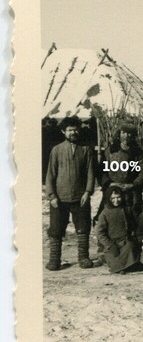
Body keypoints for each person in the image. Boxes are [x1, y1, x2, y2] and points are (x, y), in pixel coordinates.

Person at [44, 115, 95, 270]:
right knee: (56, 230)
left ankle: (83, 257)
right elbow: (50, 175)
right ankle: (54, 260)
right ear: (63, 131)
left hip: (80, 197)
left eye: (75, 129)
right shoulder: (57, 150)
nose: (73, 132)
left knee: (83, 228)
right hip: (59, 198)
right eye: (70, 130)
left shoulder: (86, 149)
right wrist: (52, 196)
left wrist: (87, 192)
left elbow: (90, 173)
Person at [101, 123, 143, 215]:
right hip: (113, 190)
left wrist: (134, 184)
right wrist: (110, 183)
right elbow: (102, 170)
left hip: (132, 191)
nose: (126, 136)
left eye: (129, 133)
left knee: (133, 215)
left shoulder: (138, 152)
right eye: (123, 133)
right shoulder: (111, 150)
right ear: (119, 133)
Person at [96, 185, 140, 274]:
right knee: (114, 256)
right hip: (112, 244)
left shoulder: (126, 209)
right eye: (113, 198)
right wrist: (110, 245)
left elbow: (134, 224)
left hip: (125, 243)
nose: (116, 200)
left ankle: (123, 266)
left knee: (131, 247)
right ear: (108, 198)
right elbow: (100, 232)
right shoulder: (105, 213)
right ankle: (121, 266)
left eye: (118, 197)